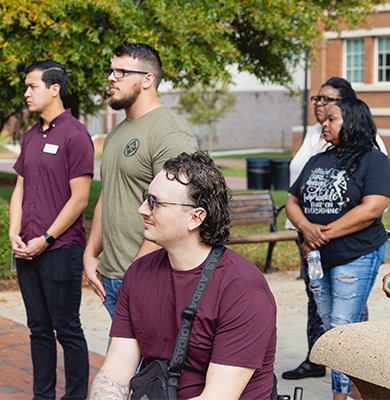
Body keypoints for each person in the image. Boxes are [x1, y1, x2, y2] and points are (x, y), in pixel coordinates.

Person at [88, 151, 277, 400]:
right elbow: (115, 373)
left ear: (195, 217)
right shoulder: (138, 273)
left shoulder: (243, 290)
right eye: (147, 198)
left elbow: (217, 397)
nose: (142, 209)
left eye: (155, 202)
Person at [286, 98, 390, 400]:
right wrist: (306, 229)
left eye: (332, 119)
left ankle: (340, 397)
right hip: (317, 257)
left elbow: (373, 207)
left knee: (340, 331)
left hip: (356, 254)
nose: (324, 122)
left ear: (352, 122)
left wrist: (321, 234)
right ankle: (363, 393)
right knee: (333, 330)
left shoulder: (374, 160)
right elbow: (292, 200)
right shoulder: (318, 159)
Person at [84, 43, 198, 319]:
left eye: (121, 71)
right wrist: (90, 253)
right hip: (112, 276)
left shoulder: (170, 133)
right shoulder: (114, 134)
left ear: (148, 80)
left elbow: (176, 210)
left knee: (145, 362)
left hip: (149, 277)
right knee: (130, 362)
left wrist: (136, 273)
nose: (111, 77)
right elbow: (107, 196)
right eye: (111, 70)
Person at [9, 60, 94, 399]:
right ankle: (42, 396)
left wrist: (45, 239)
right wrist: (14, 232)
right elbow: (19, 188)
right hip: (26, 249)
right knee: (38, 330)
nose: (27, 93)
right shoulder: (30, 136)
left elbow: (80, 199)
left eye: (33, 86)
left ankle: (75, 396)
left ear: (54, 89)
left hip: (60, 249)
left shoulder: (76, 134)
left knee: (67, 329)